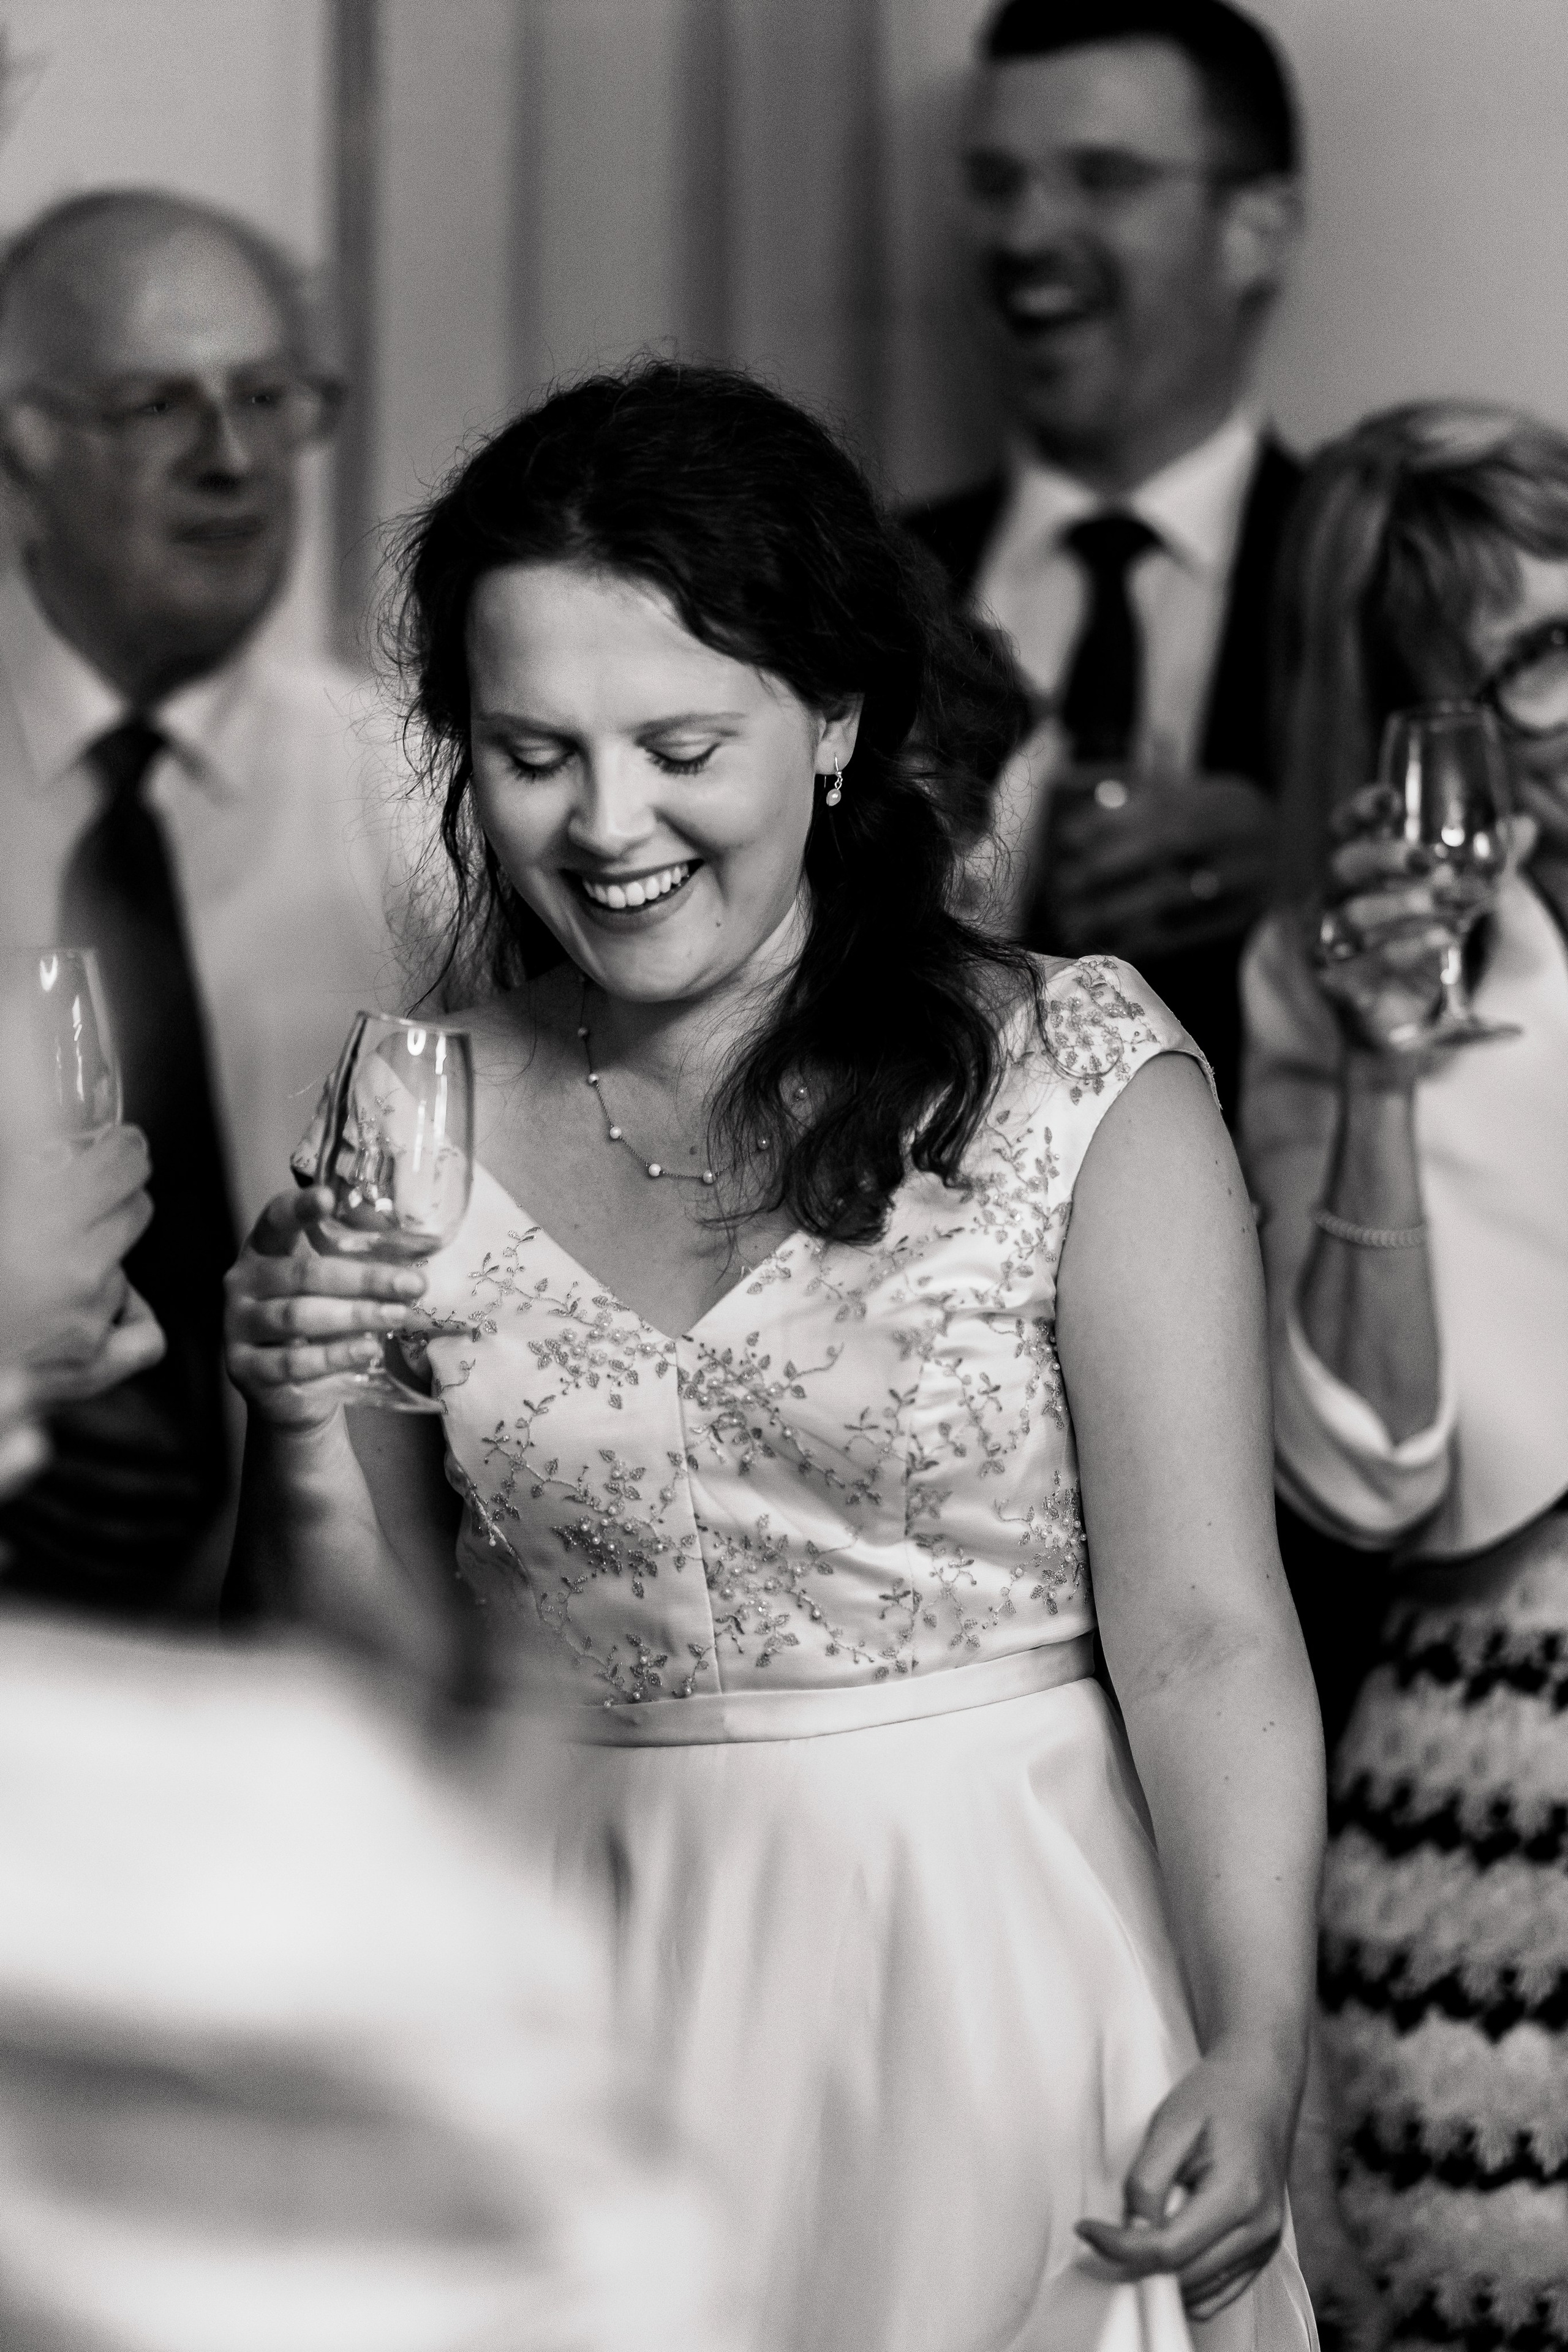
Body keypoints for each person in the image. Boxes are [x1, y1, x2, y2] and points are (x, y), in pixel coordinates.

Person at [221, 360, 1322, 2350]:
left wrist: (1255, 2042)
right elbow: (369, 1692)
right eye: (534, 750)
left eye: (677, 744)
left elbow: (1207, 1638)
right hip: (582, 1992)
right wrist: (296, 1418)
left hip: (993, 1974)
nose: (607, 822)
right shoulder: (411, 1113)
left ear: (829, 723)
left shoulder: (1076, 1073)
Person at [1239, 403, 1568, 2346]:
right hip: (1502, 1794)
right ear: (1409, 724)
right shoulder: (1329, 980)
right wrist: (1381, 1077)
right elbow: (1359, 1476)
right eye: (1527, 659)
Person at [0, 189, 417, 1616]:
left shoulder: (423, 797)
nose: (234, 459)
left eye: (267, 396)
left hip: (334, 1669)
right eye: (159, 406)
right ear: (23, 437)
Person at [907, 0, 1303, 1124]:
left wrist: (1304, 874)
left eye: (1104, 177)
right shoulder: (856, 578)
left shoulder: (1389, 578)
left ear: (1258, 229)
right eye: (996, 184)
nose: (1026, 236)